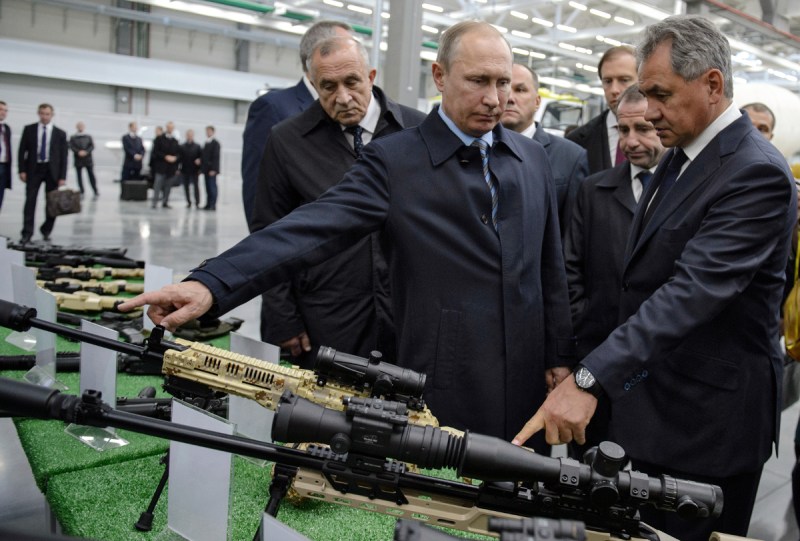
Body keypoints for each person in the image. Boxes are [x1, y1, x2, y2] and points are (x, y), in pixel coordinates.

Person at [120, 21, 574, 449]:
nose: (495, 98)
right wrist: (212, 283)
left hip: (525, 380)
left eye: (503, 83)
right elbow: (307, 228)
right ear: (439, 75)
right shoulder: (396, 162)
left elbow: (549, 267)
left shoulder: (531, 159)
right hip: (445, 381)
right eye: (478, 81)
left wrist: (557, 356)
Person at [514, 15, 796, 541]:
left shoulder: (754, 171)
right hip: (653, 409)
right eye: (644, 94)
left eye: (660, 94)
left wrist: (591, 377)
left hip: (706, 426)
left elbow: (692, 292)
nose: (647, 111)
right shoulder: (682, 156)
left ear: (712, 84)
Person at [249, 36, 425, 367]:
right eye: (327, 87)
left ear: (371, 77)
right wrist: (283, 316)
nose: (342, 97)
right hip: (327, 315)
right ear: (312, 84)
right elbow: (268, 232)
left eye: (352, 82)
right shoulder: (287, 141)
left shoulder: (418, 131)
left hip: (408, 313)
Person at [562, 85, 666, 452]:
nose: (631, 141)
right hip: (596, 360)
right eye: (623, 131)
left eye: (644, 129)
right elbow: (569, 268)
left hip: (661, 371)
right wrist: (584, 321)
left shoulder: (688, 193)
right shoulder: (593, 191)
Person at [241, 20, 352, 229]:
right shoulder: (273, 107)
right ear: (318, 53)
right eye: (346, 47)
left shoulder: (352, 108)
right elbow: (258, 193)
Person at [501, 63, 588, 235]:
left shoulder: (571, 157)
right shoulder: (476, 149)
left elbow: (572, 234)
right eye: (503, 88)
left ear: (537, 101)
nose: (510, 98)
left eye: (520, 90)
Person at [566, 45, 638, 174]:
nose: (614, 90)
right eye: (608, 81)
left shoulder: (668, 135)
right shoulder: (576, 141)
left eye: (624, 80)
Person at [17, 103, 68, 243]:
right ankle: (27, 232)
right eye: (42, 113)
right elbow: (22, 151)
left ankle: (46, 229)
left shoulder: (60, 133)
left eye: (47, 114)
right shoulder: (29, 129)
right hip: (34, 170)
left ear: (52, 115)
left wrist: (62, 176)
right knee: (30, 201)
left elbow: (64, 156)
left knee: (52, 203)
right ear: (38, 113)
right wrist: (21, 170)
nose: (45, 116)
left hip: (52, 171)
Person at [151, 121, 179, 209]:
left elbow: (178, 153)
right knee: (157, 185)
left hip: (170, 168)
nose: (170, 129)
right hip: (161, 166)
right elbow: (155, 152)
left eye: (172, 128)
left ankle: (165, 202)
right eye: (169, 127)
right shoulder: (159, 139)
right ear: (166, 128)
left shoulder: (175, 141)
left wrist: (175, 158)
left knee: (168, 186)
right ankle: (154, 202)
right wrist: (165, 157)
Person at [69, 121, 98, 197]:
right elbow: (71, 146)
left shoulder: (88, 137)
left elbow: (92, 146)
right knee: (79, 176)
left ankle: (95, 189)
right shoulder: (73, 137)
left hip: (88, 159)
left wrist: (86, 152)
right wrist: (78, 152)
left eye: (82, 126)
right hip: (78, 159)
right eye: (79, 126)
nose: (80, 127)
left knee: (91, 175)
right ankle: (81, 190)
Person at [179, 129, 202, 208]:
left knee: (196, 186)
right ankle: (188, 202)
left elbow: (200, 157)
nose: (189, 136)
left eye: (191, 135)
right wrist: (178, 169)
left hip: (194, 170)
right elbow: (180, 158)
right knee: (186, 186)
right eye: (188, 135)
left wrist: (200, 168)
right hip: (185, 169)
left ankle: (197, 202)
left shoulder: (197, 146)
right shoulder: (182, 146)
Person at [201, 126, 220, 211]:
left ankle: (213, 204)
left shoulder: (216, 143)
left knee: (212, 187)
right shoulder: (206, 143)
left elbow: (216, 157)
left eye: (209, 131)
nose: (207, 133)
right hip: (206, 169)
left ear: (213, 132)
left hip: (212, 170)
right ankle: (208, 204)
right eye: (206, 131)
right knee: (207, 187)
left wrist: (214, 169)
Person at [0, 101, 11, 212]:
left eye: (5, 110)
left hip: (3, 166)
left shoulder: (6, 128)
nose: (3, 112)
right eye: (1, 109)